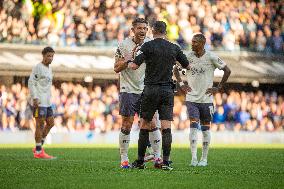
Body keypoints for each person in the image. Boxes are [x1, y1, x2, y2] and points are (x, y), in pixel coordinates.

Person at [128, 21, 191, 170]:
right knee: (166, 128)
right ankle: (166, 162)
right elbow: (187, 66)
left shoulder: (147, 46)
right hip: (167, 91)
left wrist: (131, 58)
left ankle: (140, 161)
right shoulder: (174, 47)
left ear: (153, 31)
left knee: (144, 124)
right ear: (165, 32)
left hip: (150, 89)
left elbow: (134, 66)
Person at [174, 33, 231, 167]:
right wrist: (181, 84)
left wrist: (218, 87)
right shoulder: (187, 56)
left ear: (202, 43)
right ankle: (194, 158)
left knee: (206, 129)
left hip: (206, 99)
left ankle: (204, 159)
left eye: (195, 42)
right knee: (193, 127)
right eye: (192, 42)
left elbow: (227, 70)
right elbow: (176, 69)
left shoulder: (211, 56)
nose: (192, 44)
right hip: (192, 98)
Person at [114, 18, 162, 169]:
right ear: (133, 30)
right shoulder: (123, 45)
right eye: (139, 28)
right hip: (128, 89)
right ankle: (124, 159)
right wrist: (127, 60)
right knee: (127, 124)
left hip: (146, 89)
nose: (142, 31)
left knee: (152, 122)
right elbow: (116, 68)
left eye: (145, 28)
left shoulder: (151, 44)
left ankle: (157, 158)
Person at [28, 46, 56, 159]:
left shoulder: (50, 69)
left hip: (47, 101)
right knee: (40, 124)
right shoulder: (38, 67)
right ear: (43, 56)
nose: (50, 58)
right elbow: (31, 82)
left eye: (52, 56)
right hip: (39, 101)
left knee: (51, 123)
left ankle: (39, 147)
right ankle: (39, 151)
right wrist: (34, 97)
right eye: (48, 56)